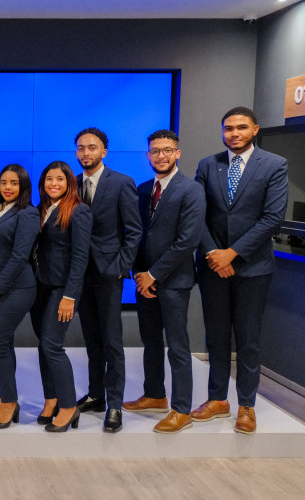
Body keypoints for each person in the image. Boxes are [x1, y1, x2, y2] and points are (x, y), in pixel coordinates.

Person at [193, 107, 288, 434]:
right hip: (212, 267)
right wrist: (213, 254)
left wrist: (231, 254)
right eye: (229, 128)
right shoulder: (208, 164)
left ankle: (246, 405)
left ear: (255, 129)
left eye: (241, 128)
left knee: (247, 340)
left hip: (253, 267)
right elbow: (198, 214)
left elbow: (272, 218)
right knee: (216, 337)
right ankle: (217, 399)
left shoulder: (274, 165)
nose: (234, 133)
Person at [125, 130, 206, 433]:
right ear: (148, 156)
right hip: (144, 280)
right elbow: (135, 235)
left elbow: (187, 241)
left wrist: (154, 274)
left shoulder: (191, 190)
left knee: (178, 346)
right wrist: (137, 273)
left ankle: (181, 409)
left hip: (173, 281)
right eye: (155, 151)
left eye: (167, 150)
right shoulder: (144, 189)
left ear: (177, 154)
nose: (160, 155)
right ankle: (154, 394)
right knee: (150, 342)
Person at [74, 127, 142, 433]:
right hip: (79, 275)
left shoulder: (122, 183)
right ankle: (96, 395)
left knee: (112, 341)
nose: (86, 153)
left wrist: (120, 266)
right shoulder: (71, 184)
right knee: (91, 339)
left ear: (104, 151)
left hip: (109, 274)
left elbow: (134, 230)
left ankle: (115, 404)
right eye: (81, 148)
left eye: (92, 147)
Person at [0, 164, 40, 429]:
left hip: (17, 289)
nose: (8, 188)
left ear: (23, 186)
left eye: (14, 183)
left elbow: (19, 257)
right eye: (3, 182)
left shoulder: (28, 213)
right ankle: (4, 399)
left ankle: (10, 402)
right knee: (2, 346)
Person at [30, 161, 92, 432]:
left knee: (52, 346)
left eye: (60, 179)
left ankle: (68, 406)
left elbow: (80, 258)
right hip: (39, 288)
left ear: (70, 183)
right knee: (43, 346)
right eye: (48, 179)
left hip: (61, 290)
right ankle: (50, 399)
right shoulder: (40, 209)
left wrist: (70, 296)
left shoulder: (79, 211)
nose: (53, 184)